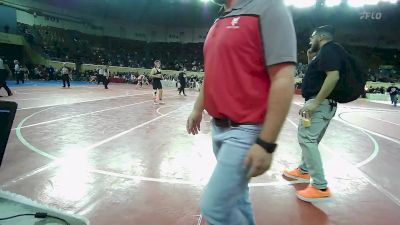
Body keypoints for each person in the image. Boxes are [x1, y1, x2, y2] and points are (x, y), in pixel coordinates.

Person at [186, 0, 297, 224]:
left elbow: (283, 77)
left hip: (246, 130)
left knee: (214, 207)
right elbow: (212, 70)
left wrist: (266, 143)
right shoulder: (221, 17)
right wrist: (198, 107)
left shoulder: (268, 7)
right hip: (218, 128)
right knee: (237, 201)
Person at [284, 25, 344, 202]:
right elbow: (318, 75)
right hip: (323, 104)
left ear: (322, 36)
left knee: (307, 139)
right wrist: (311, 55)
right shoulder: (327, 52)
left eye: (312, 37)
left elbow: (333, 76)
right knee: (312, 139)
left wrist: (315, 102)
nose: (310, 40)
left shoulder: (330, 49)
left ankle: (320, 186)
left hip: (319, 104)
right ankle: (303, 171)